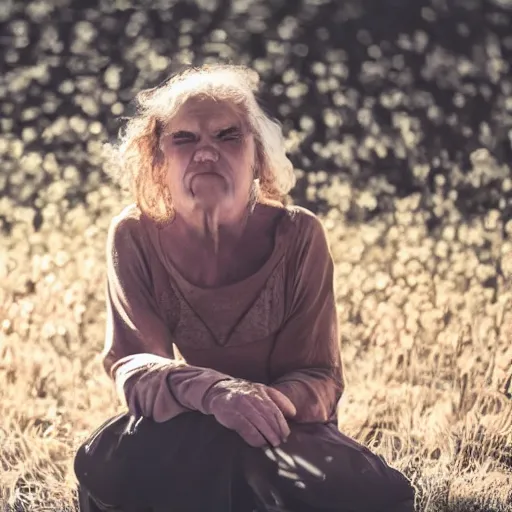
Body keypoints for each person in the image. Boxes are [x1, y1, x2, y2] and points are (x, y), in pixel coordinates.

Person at [74, 63, 415, 512]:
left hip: (284, 430)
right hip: (188, 424)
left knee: (379, 497)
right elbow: (135, 366)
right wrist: (216, 395)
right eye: (185, 139)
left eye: (227, 136)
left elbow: (319, 377)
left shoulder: (300, 236)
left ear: (257, 156)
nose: (206, 153)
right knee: (109, 465)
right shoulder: (134, 235)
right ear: (158, 161)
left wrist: (257, 405)